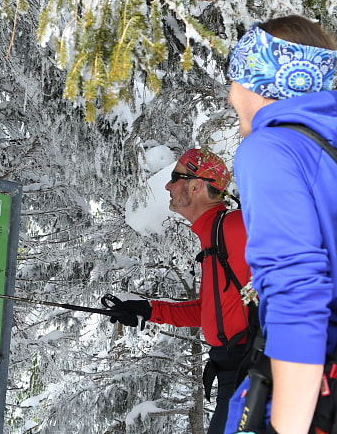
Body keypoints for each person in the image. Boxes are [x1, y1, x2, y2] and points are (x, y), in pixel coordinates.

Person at [224, 15, 337, 434]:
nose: (230, 91)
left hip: (312, 394)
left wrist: (286, 423)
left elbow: (296, 290)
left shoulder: (270, 149)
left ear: (254, 78)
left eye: (234, 75)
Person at [105, 149, 253, 434]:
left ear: (196, 185)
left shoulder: (237, 227)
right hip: (233, 374)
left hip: (254, 374)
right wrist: (148, 310)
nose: (168, 186)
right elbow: (211, 310)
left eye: (176, 178)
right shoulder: (215, 236)